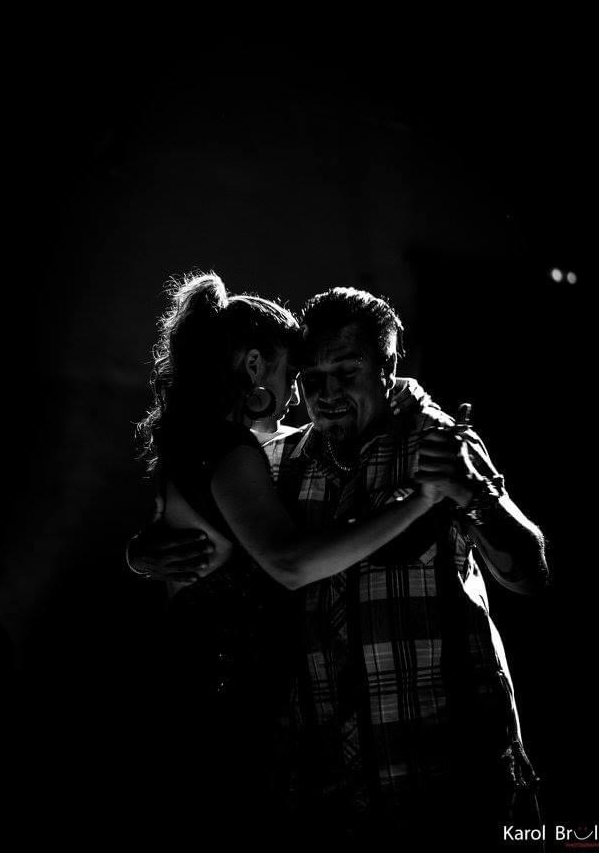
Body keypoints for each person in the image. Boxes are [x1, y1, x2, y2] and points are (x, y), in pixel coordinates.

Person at [130, 281, 548, 850]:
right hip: (328, 799)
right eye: (310, 378)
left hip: (450, 783)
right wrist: (144, 551)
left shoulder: (437, 443)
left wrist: (472, 494)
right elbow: (226, 534)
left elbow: (531, 574)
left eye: (346, 373)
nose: (326, 394)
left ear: (388, 367)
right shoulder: (279, 461)